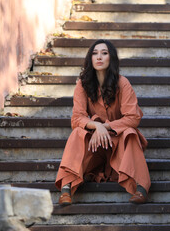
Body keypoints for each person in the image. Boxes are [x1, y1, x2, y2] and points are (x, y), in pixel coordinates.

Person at [55, 39, 151, 205]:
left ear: (111, 58)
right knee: (77, 132)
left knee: (130, 132)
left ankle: (141, 187)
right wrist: (97, 126)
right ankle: (66, 188)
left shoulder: (123, 83)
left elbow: (133, 117)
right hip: (95, 144)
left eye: (104, 53)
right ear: (90, 59)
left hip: (117, 140)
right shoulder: (82, 84)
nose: (99, 57)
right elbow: (77, 117)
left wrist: (106, 127)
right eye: (95, 53)